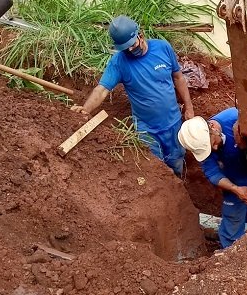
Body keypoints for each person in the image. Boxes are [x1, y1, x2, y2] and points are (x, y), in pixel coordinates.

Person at [72, 15, 194, 177]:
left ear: (140, 35)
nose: (130, 50)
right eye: (125, 48)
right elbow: (102, 89)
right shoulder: (118, 63)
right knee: (156, 171)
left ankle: (181, 187)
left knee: (177, 161)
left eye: (132, 45)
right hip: (146, 131)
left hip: (173, 124)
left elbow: (178, 77)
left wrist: (189, 107)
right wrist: (85, 110)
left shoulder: (163, 48)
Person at [178, 109, 247, 248]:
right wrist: (236, 190)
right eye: (210, 148)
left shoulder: (235, 117)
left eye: (213, 142)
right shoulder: (201, 142)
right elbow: (212, 172)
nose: (215, 148)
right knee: (232, 224)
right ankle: (229, 259)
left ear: (212, 127)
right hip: (234, 184)